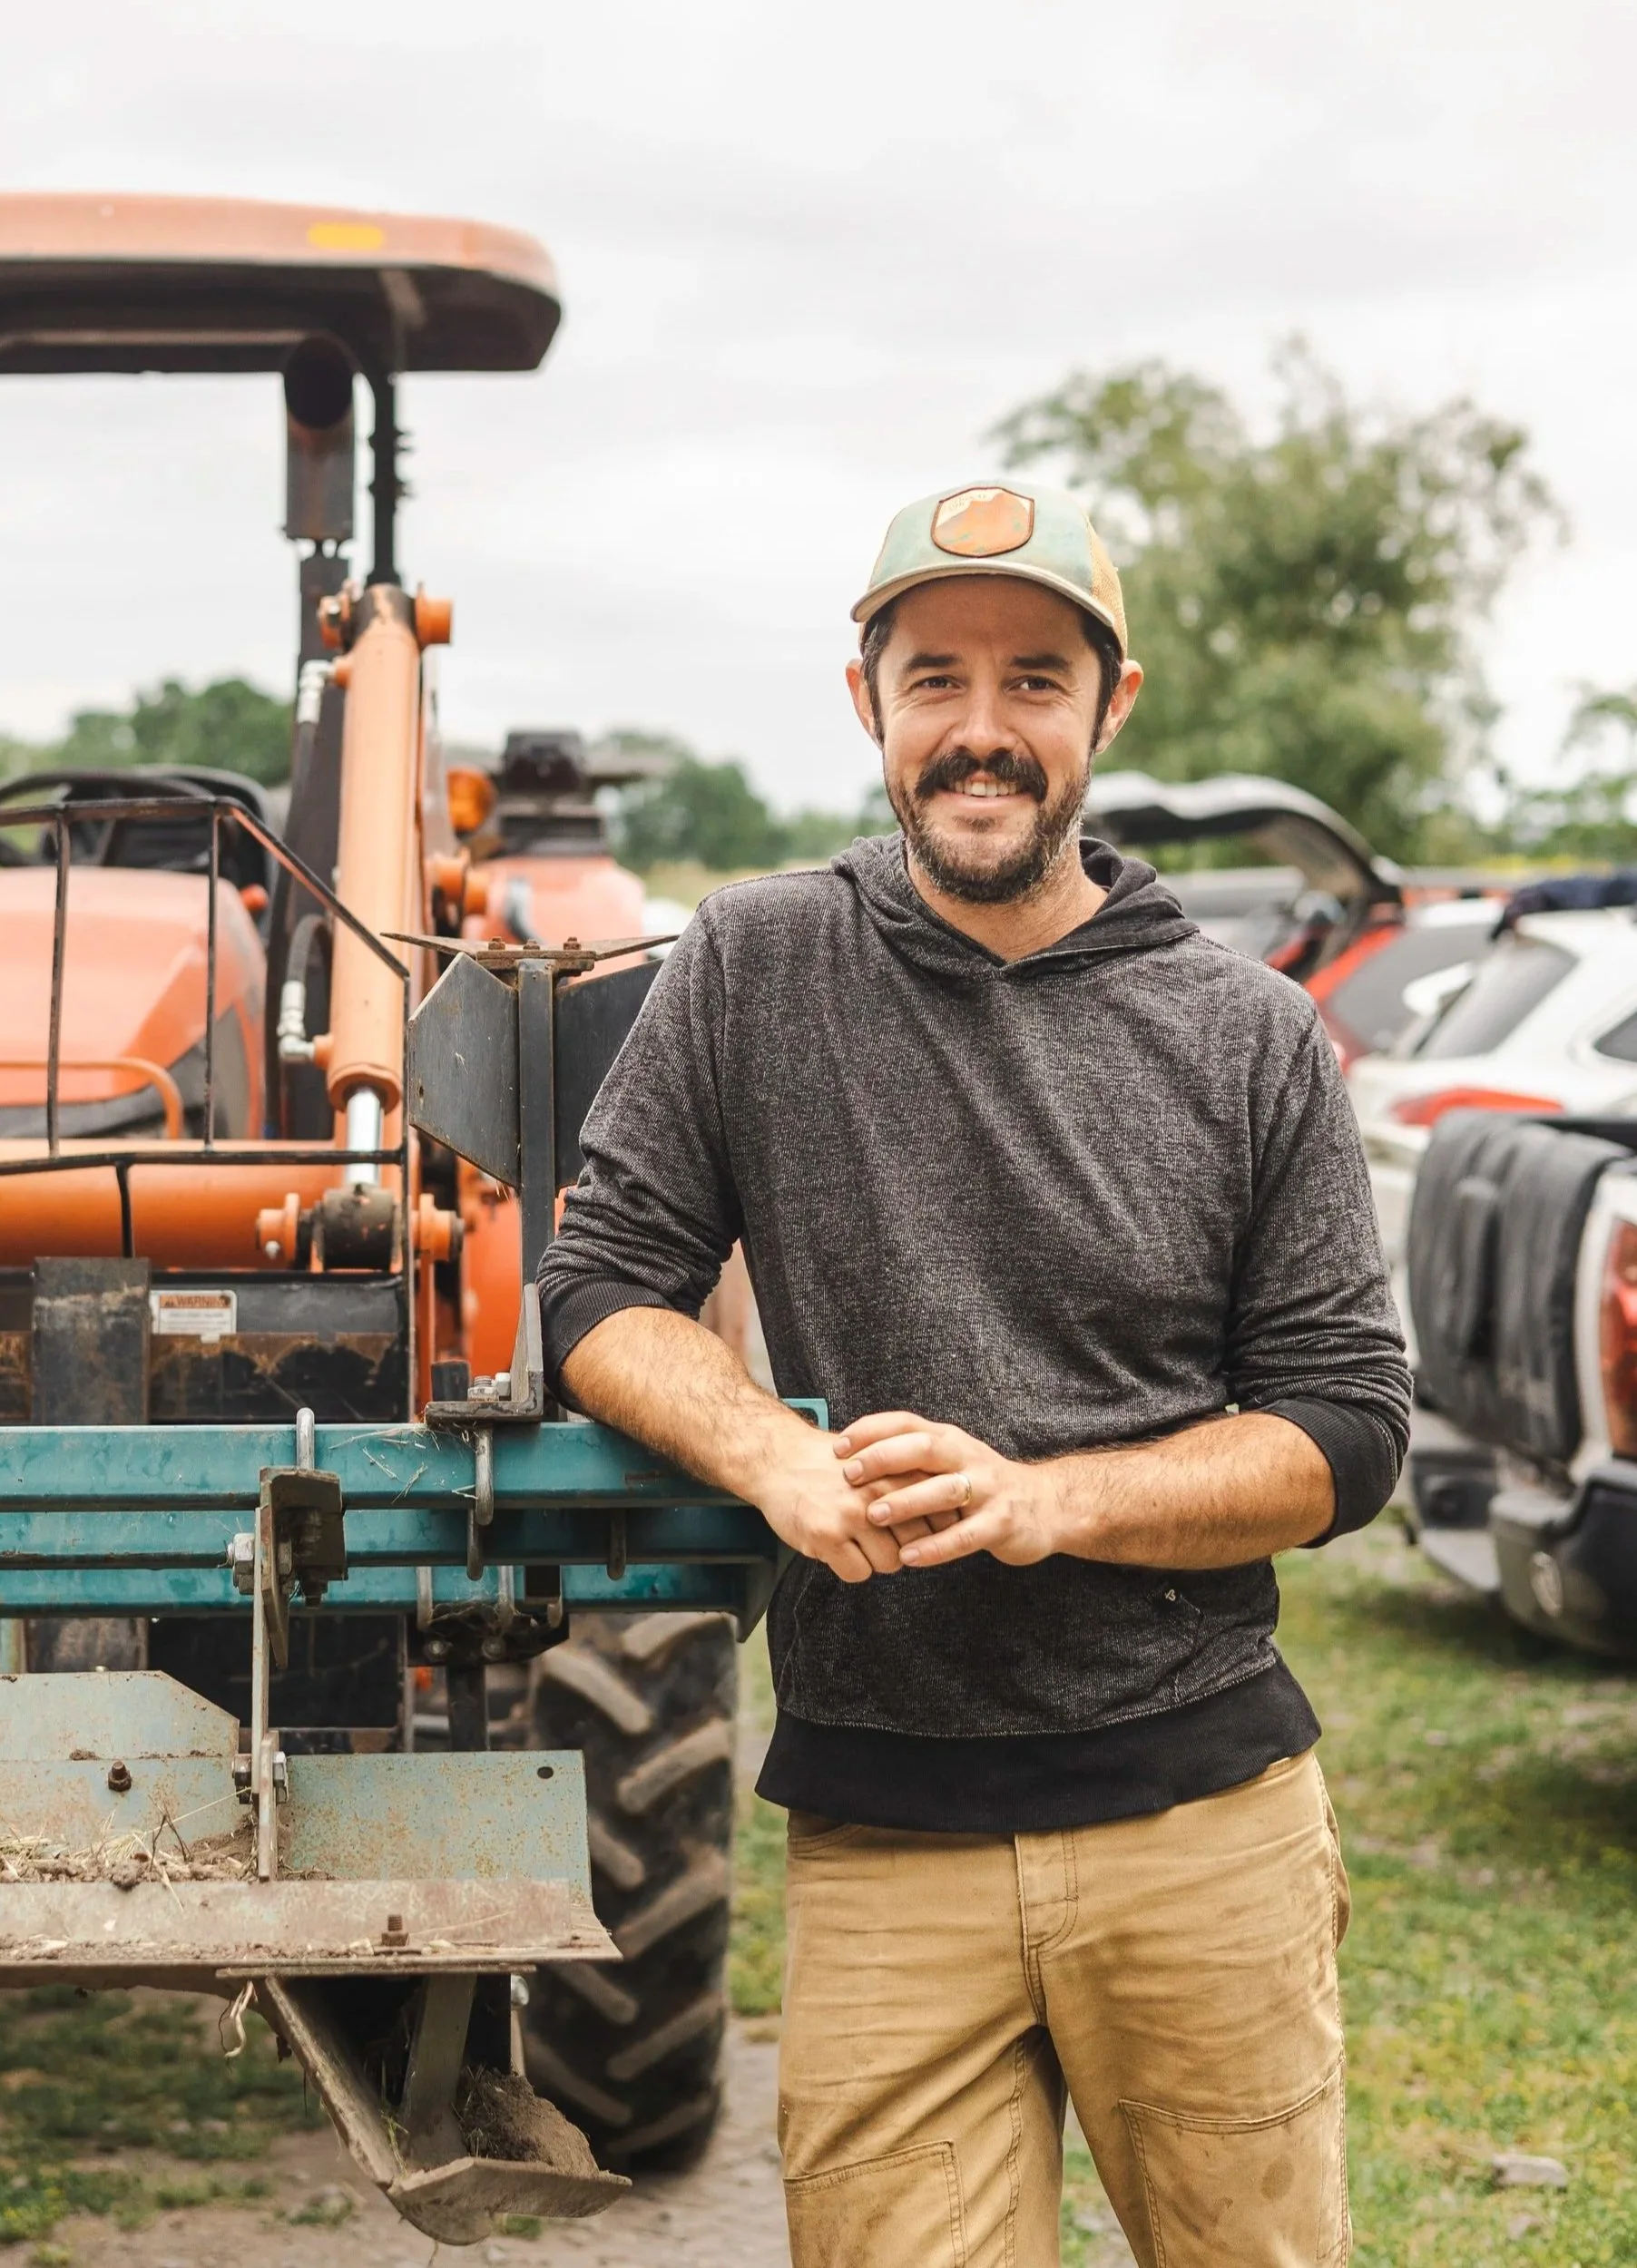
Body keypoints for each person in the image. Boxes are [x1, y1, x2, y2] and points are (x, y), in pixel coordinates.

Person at [536, 482, 1411, 2268]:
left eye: (1034, 679)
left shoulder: (1248, 1032)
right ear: (867, 701)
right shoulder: (756, 961)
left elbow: (1345, 1428)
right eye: (935, 676)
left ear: (1111, 706)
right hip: (888, 1832)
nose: (981, 727)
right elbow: (599, 1284)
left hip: (1200, 1822)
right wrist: (769, 1453)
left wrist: (1044, 1500)